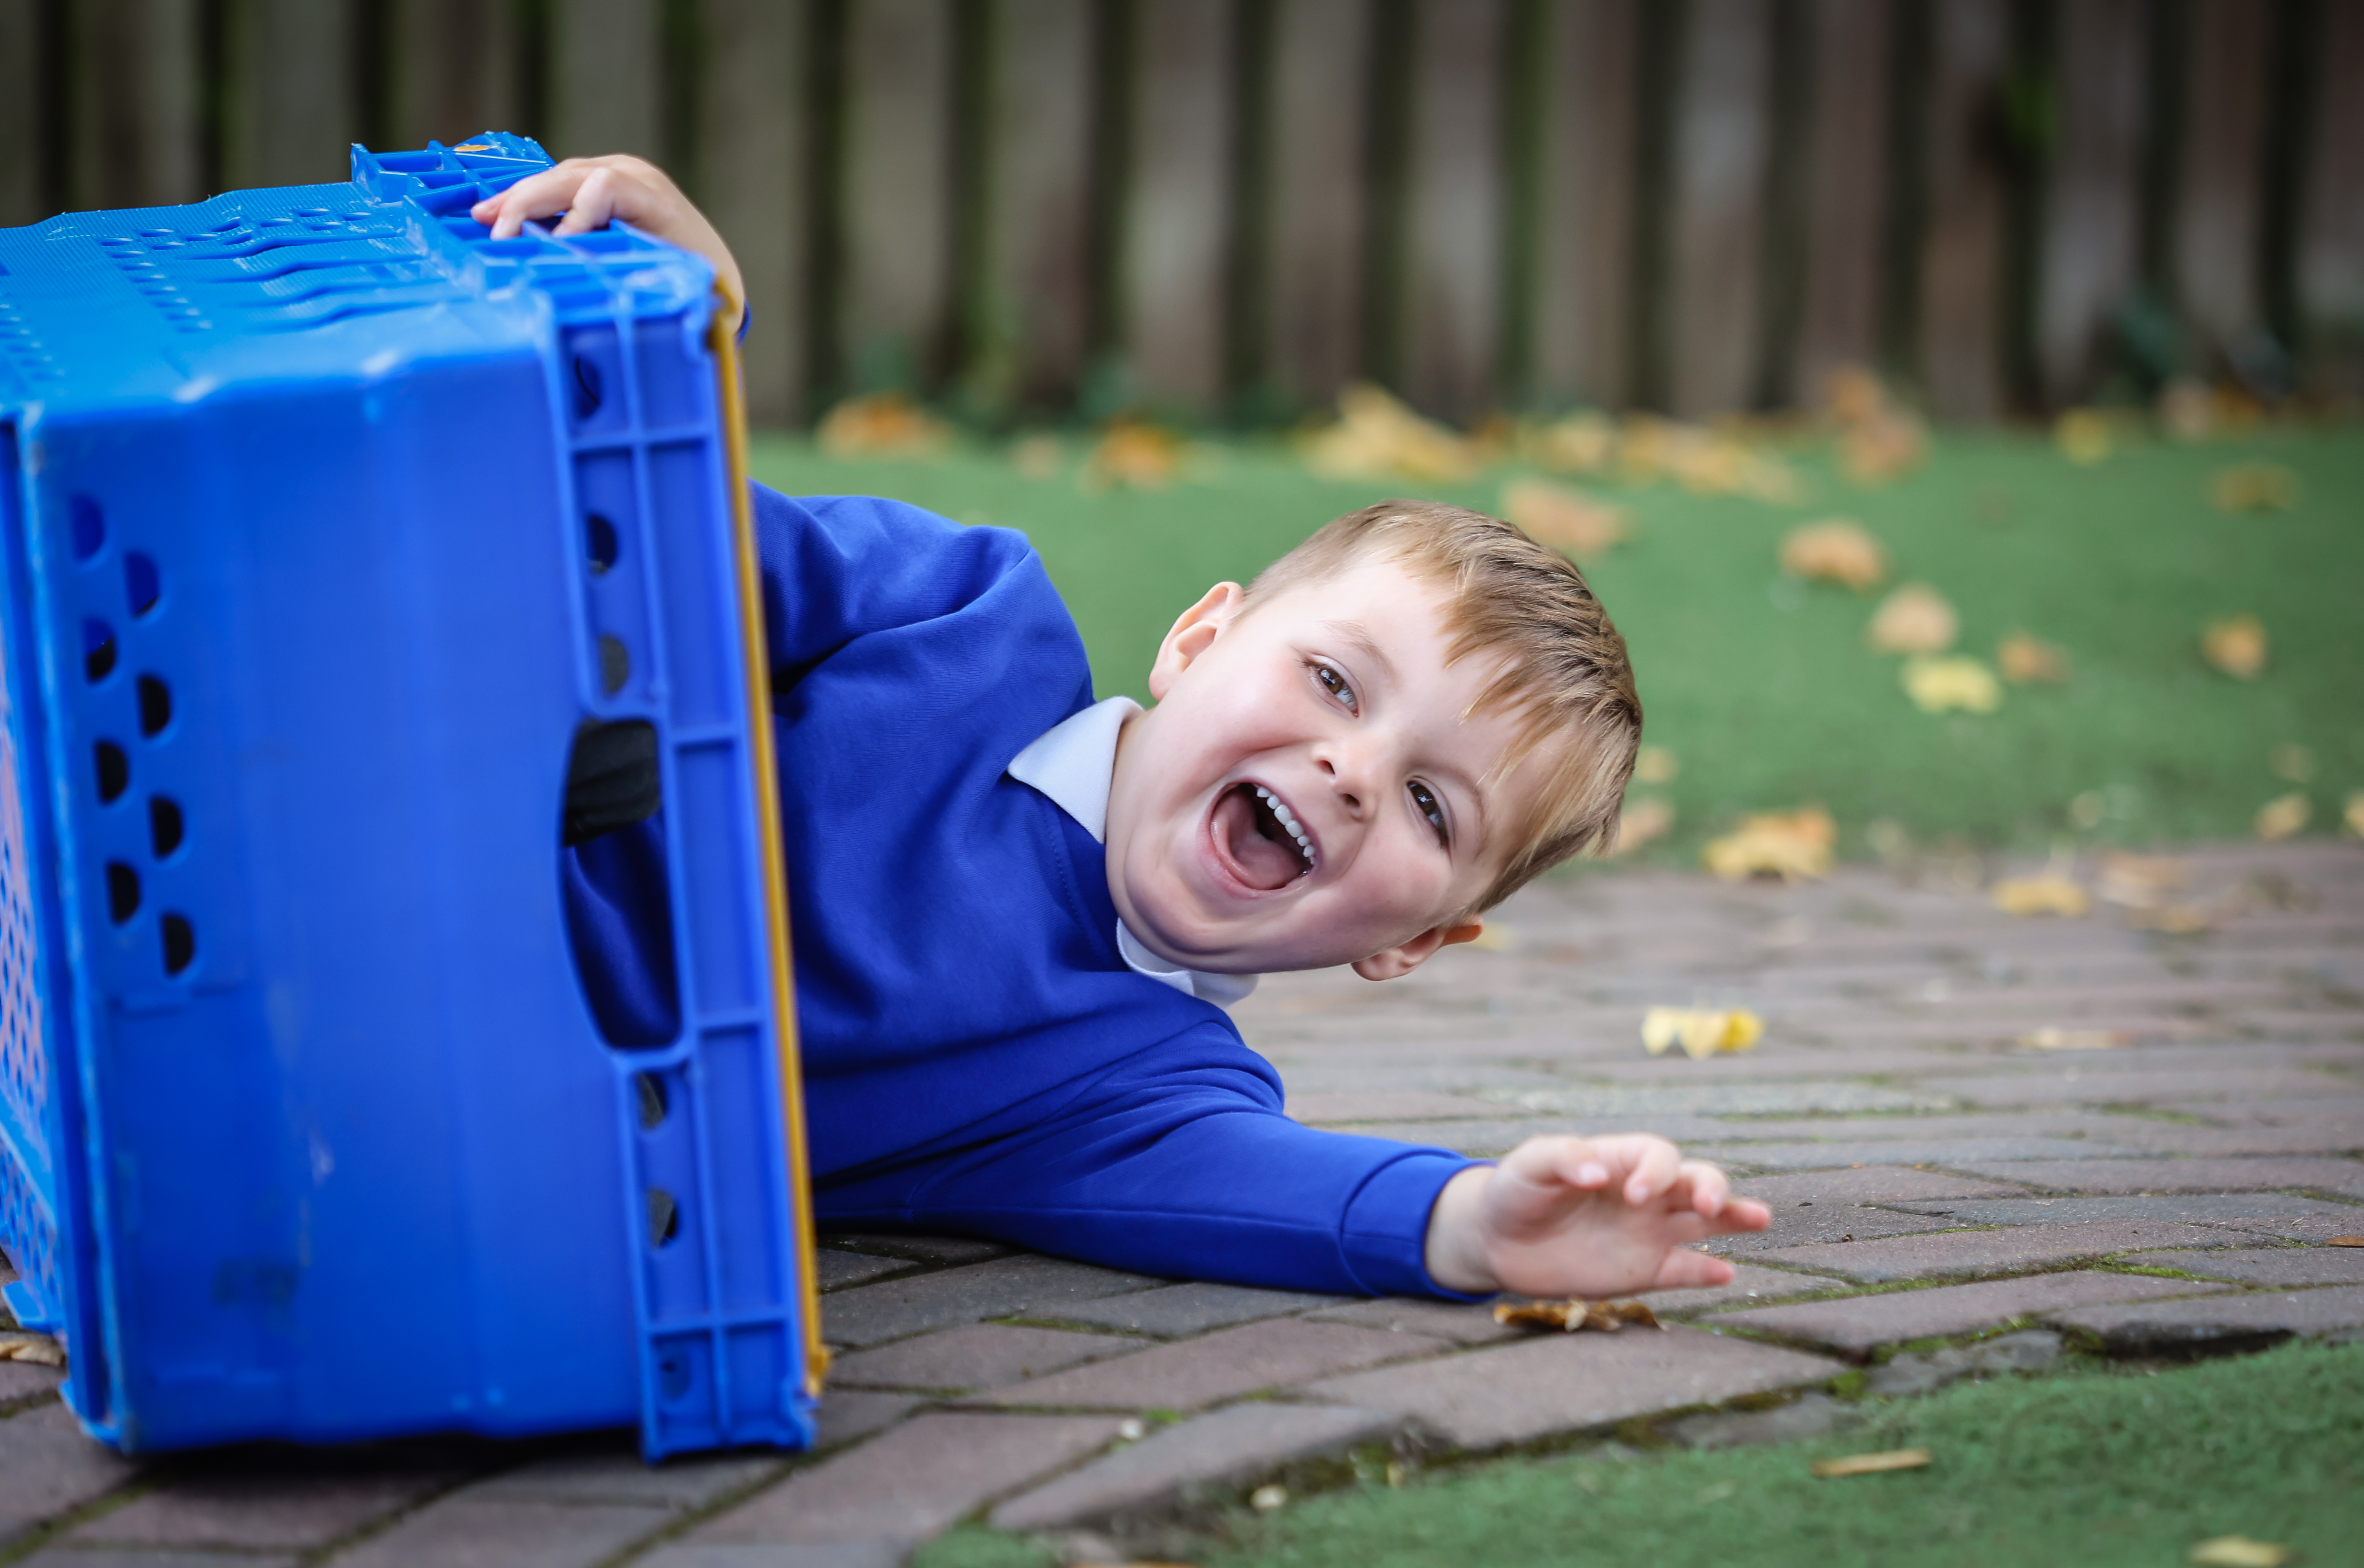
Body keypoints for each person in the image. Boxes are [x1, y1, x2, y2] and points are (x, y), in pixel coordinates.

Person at [479, 157, 1772, 1301]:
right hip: (422, 843)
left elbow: (1270, 1192)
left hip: (464, 1142)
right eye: (1335, 682)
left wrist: (1482, 1226)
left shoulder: (1138, 1081)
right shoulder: (960, 617)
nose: (1355, 772)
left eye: (1435, 807)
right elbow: (665, 550)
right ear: (1198, 642)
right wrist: (690, 341)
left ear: (1423, 940)